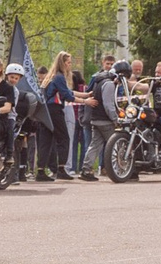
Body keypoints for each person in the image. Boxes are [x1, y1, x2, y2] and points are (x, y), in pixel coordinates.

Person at [85, 53, 125, 181]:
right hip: (105, 120)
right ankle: (121, 168)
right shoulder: (109, 84)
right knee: (117, 145)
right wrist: (115, 119)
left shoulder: (98, 80)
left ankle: (86, 170)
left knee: (94, 145)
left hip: (96, 118)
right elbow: (108, 105)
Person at [43, 51, 82, 179]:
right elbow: (66, 95)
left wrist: (84, 95)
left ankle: (41, 170)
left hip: (47, 109)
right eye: (69, 62)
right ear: (63, 63)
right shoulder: (60, 77)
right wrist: (85, 101)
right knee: (64, 138)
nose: (70, 65)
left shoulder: (52, 76)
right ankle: (61, 169)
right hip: (55, 109)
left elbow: (67, 91)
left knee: (48, 140)